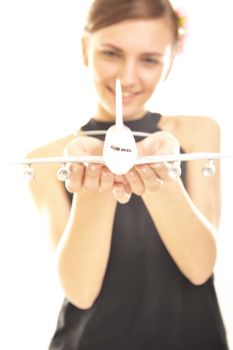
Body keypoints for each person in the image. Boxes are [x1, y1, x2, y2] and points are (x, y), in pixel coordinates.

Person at [27, 0, 229, 349]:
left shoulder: (198, 135)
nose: (128, 77)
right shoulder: (49, 158)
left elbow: (199, 267)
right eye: (111, 53)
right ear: (84, 50)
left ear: (170, 62)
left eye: (149, 59)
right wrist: (93, 189)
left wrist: (162, 180)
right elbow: (80, 291)